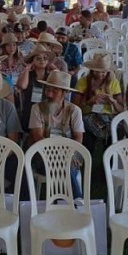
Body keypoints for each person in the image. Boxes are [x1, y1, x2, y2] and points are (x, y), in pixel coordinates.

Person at [29, 70, 86, 198]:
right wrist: (55, 154)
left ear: (65, 93)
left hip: (68, 153)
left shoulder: (74, 110)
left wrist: (65, 153)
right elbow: (38, 137)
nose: (49, 94)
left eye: (54, 91)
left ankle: (63, 200)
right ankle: (77, 200)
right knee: (63, 166)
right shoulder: (37, 109)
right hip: (43, 154)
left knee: (65, 164)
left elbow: (78, 138)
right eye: (48, 89)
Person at [73, 53, 124, 150]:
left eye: (103, 72)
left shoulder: (114, 82)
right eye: (97, 71)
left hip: (108, 118)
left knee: (115, 135)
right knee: (88, 139)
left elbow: (121, 109)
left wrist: (113, 101)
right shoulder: (83, 82)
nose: (100, 74)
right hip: (88, 116)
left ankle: (108, 162)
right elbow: (76, 107)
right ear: (92, 70)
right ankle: (88, 161)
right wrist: (89, 103)